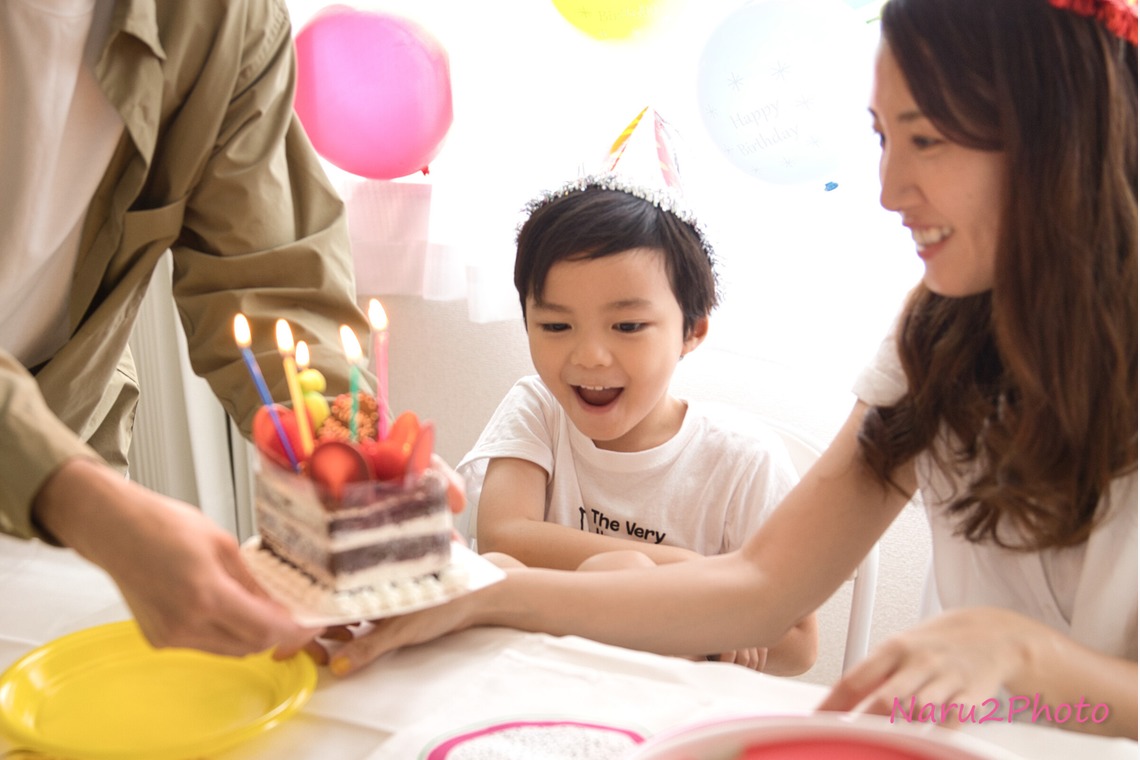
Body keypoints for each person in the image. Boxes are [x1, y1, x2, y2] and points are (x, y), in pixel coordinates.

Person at [311, 0, 1138, 739]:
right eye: (884, 138)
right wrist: (482, 593)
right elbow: (762, 583)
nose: (890, 190)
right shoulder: (938, 330)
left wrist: (1025, 658)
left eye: (925, 138)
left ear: (1058, 129)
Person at [0, 0, 385, 658]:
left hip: (69, 448)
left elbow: (271, 275)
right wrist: (68, 491)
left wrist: (343, 450)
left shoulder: (228, 19)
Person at [459, 178, 814, 673]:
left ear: (693, 331)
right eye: (556, 326)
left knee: (620, 572)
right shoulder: (538, 407)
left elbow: (798, 644)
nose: (588, 356)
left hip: (670, 709)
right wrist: (700, 575)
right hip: (542, 684)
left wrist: (716, 615)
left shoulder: (744, 459)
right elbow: (504, 537)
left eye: (627, 327)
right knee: (498, 570)